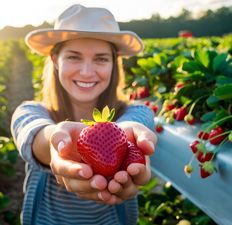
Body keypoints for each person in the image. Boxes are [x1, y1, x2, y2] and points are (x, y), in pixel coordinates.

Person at [10, 4, 157, 225]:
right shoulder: (29, 112)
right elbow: (35, 135)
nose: (87, 72)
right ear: (55, 60)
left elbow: (134, 126)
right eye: (74, 57)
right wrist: (56, 143)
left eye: (101, 59)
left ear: (114, 64)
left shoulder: (137, 112)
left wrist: (127, 139)